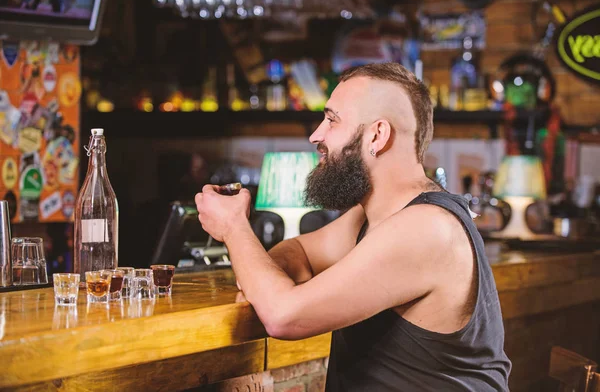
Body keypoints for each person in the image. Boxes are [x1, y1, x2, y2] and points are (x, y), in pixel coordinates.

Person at [195, 62, 512, 391]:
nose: (315, 135)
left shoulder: (428, 229)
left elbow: (283, 316)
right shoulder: (373, 217)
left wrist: (233, 227)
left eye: (332, 120)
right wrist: (272, 279)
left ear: (377, 135)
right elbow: (300, 250)